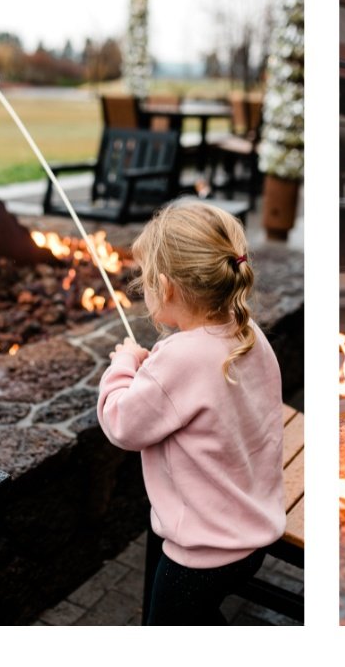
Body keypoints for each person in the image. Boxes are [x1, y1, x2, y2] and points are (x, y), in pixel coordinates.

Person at [97, 200, 285, 626]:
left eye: (144, 279)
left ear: (165, 288)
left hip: (201, 556)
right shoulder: (246, 330)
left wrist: (123, 364)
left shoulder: (178, 359)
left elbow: (121, 424)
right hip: (253, 531)